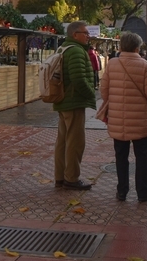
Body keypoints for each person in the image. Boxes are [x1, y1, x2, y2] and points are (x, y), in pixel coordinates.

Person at [100, 32, 147, 202]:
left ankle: (122, 190)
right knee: (142, 156)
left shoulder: (112, 64)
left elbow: (104, 90)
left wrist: (115, 102)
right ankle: (143, 192)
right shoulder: (144, 65)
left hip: (118, 118)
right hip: (140, 118)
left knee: (120, 156)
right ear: (136, 48)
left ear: (121, 46)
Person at [54, 21, 97, 190]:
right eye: (85, 33)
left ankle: (60, 177)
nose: (88, 36)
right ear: (75, 34)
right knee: (75, 142)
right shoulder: (77, 51)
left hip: (63, 101)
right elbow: (78, 79)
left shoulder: (63, 48)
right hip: (73, 102)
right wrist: (91, 93)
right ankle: (71, 178)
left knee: (63, 141)